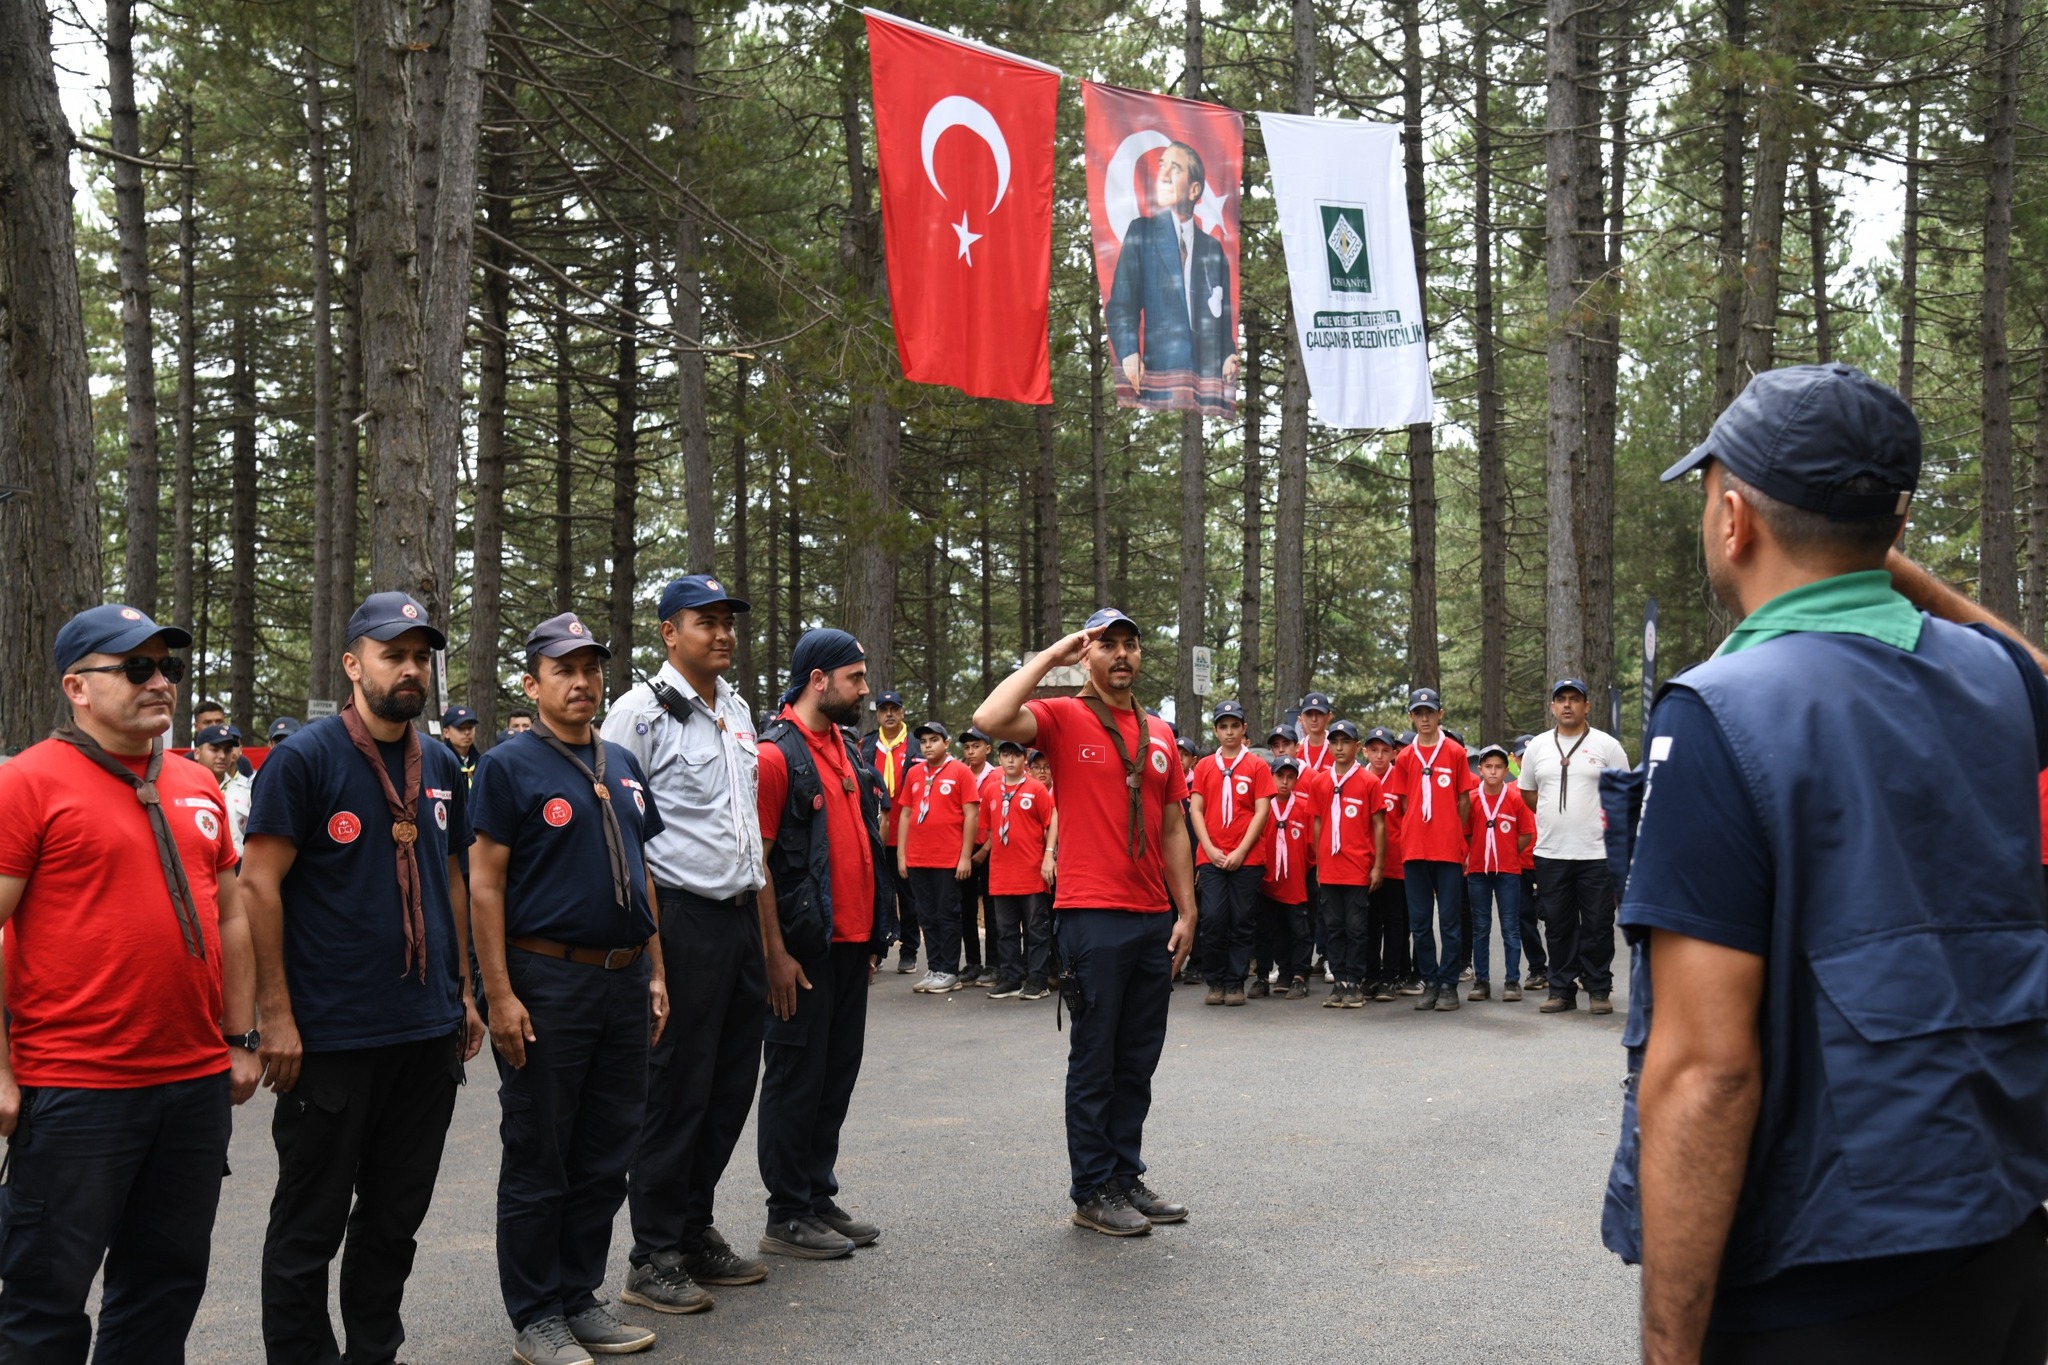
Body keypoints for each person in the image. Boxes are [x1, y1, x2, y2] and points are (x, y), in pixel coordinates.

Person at [1604, 362, 2048, 1363]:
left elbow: (1706, 1073)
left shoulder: (1718, 714)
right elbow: (2029, 670)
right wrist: (1885, 565)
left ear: (1734, 520)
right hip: (2001, 1251)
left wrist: (1668, 1352)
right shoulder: (1992, 683)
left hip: (1819, 1291)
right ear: (1893, 527)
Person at [0, 605, 262, 1362]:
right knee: (45, 1301)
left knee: (163, 1289)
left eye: (167, 667)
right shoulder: (25, 781)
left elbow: (232, 914)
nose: (160, 682)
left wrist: (241, 1037)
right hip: (77, 1087)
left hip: (192, 1087)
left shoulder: (196, 782)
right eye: (137, 668)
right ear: (77, 687)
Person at [240, 591, 485, 1365]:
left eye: (420, 657)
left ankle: (374, 1352)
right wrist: (275, 1015)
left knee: (392, 1221)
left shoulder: (440, 762)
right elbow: (256, 885)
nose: (410, 669)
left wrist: (464, 990)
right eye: (393, 654)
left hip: (425, 1033)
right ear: (353, 664)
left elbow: (453, 877)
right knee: (308, 1223)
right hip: (332, 1037)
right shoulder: (305, 759)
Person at [470, 614, 670, 1365]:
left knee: (606, 1149)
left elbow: (642, 875)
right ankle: (536, 1315)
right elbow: (484, 885)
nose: (581, 681)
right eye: (564, 669)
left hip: (624, 979)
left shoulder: (623, 762)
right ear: (533, 683)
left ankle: (579, 1296)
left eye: (590, 668)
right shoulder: (507, 766)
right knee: (540, 1150)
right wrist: (498, 994)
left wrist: (656, 973)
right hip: (546, 980)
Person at [974, 608, 1197, 1237]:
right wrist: (1052, 657)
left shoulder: (1159, 733)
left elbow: (1174, 827)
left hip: (1152, 916)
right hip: (1091, 915)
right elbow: (990, 719)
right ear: (1089, 656)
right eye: (1107, 645)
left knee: (1137, 1059)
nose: (1121, 654)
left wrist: (1187, 909)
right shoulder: (1063, 717)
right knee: (1095, 1057)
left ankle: (1125, 1175)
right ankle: (1092, 1187)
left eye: (1130, 644)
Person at [601, 573, 769, 1310]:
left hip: (739, 916)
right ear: (670, 633)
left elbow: (744, 822)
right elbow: (616, 830)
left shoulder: (736, 708)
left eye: (728, 620)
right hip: (680, 917)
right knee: (676, 1088)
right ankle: (654, 1252)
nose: (723, 632)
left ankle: (695, 1227)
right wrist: (650, 952)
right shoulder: (638, 714)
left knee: (729, 1086)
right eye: (707, 621)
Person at [754, 629, 894, 1261]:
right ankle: (786, 1212)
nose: (864, 690)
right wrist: (775, 955)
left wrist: (872, 935)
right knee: (796, 1078)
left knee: (835, 1076)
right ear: (818, 680)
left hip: (850, 943)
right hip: (803, 951)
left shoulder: (844, 747)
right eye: (855, 678)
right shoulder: (775, 756)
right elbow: (757, 864)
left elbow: (861, 844)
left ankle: (815, 1194)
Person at [1518, 678, 1631, 1015]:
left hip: (1597, 853)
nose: (1567, 704)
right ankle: (1561, 990)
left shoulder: (1607, 746)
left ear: (1587, 706)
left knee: (1598, 924)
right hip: (1551, 853)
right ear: (1552, 706)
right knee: (1557, 924)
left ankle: (1598, 988)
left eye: (1574, 699)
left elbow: (1624, 794)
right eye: (1561, 699)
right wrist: (1555, 817)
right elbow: (1528, 792)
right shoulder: (1538, 746)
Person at [1103, 141, 1237, 413]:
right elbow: (1121, 306)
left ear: (1194, 190)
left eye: (1174, 169)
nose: (1162, 175)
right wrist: (1128, 351)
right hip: (1160, 380)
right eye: (1162, 166)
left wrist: (1228, 355)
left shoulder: (1213, 249)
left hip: (1207, 385)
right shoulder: (1142, 233)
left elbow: (1223, 322)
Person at [1378, 689, 1474, 1012]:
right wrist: (1416, 831)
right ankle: (1430, 981)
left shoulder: (1455, 753)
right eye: (1418, 713)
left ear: (1440, 714)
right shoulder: (1405, 758)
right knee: (1419, 921)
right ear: (1411, 717)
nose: (1424, 718)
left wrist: (1452, 831)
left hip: (1447, 849)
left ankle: (1449, 984)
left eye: (1429, 712)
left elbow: (1463, 800)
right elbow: (1405, 803)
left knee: (1449, 920)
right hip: (1415, 849)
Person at [1189, 700, 1275, 1007]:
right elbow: (1196, 809)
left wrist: (1240, 850)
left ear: (1244, 729)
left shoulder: (1257, 766)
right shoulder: (1204, 766)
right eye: (1223, 727)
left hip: (1246, 858)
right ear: (1215, 731)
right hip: (1211, 857)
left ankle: (1235, 981)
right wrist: (1209, 848)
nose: (1229, 732)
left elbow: (1262, 811)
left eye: (1234, 726)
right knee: (1213, 918)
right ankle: (1215, 980)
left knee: (1241, 920)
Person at [897, 720, 979, 994]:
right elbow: (906, 814)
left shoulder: (960, 771)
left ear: (946, 743)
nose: (928, 745)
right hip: (918, 858)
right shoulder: (914, 773)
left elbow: (971, 815)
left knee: (947, 914)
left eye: (934, 740)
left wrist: (965, 856)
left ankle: (949, 971)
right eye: (923, 741)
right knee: (926, 916)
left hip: (947, 859)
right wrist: (902, 854)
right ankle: (934, 967)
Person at [985, 739, 1057, 1000]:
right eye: (1005, 755)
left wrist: (1049, 855)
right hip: (1001, 874)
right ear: (999, 759)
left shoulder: (1036, 789)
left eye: (1015, 755)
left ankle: (1037, 979)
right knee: (1005, 930)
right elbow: (989, 828)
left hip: (1031, 871)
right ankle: (1011, 977)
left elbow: (1052, 821)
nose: (1010, 760)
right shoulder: (991, 790)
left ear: (1024, 759)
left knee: (1036, 928)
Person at [1464, 745, 1534, 1003]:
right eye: (1488, 766)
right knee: (1481, 927)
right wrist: (1477, 851)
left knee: (1510, 927)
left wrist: (1507, 852)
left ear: (1506, 771)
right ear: (1480, 770)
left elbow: (1526, 834)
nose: (1493, 771)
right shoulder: (1472, 799)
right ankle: (1481, 981)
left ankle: (1512, 981)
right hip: (1478, 872)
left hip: (1507, 871)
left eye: (1498, 767)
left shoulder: (1515, 798)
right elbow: (1466, 833)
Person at [1317, 721, 1379, 1007]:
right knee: (1333, 926)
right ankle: (1339, 981)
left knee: (1356, 927)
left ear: (1357, 746)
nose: (1339, 747)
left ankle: (1355, 981)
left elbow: (1379, 825)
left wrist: (1377, 866)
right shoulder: (1320, 782)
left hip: (1357, 868)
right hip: (1330, 868)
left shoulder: (1369, 782)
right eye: (1334, 742)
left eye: (1345, 742)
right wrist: (1320, 862)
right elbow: (1318, 823)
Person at [861, 690, 918, 975]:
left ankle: (909, 951)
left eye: (894, 708)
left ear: (902, 712)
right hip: (875, 833)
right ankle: (878, 949)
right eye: (884, 710)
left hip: (907, 834)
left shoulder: (916, 745)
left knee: (908, 896)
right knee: (878, 894)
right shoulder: (867, 745)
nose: (889, 714)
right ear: (877, 715)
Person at [1255, 752, 1317, 1000]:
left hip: (1295, 883)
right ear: (1271, 776)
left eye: (1291, 777)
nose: (1285, 782)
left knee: (1300, 930)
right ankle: (1264, 976)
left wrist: (1301, 870)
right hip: (1267, 882)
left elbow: (1311, 849)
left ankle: (1300, 976)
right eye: (1280, 776)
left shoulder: (1304, 808)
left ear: (1296, 780)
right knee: (1267, 931)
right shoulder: (1262, 807)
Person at [1360, 726, 1411, 1000]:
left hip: (1394, 864)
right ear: (1365, 751)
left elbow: (1407, 819)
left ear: (1393, 753)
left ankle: (1390, 977)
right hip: (1364, 863)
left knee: (1394, 922)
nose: (1379, 756)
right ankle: (1370, 975)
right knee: (1369, 922)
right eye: (1374, 750)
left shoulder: (1400, 780)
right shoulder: (1359, 778)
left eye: (1385, 750)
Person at [958, 726, 999, 985]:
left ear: (988, 748)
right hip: (965, 849)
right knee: (966, 906)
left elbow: (1001, 817)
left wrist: (986, 849)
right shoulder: (960, 774)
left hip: (991, 849)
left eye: (976, 746)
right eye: (967, 747)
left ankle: (994, 963)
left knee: (993, 909)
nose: (971, 751)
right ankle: (973, 961)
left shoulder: (997, 775)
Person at [192, 721, 254, 854]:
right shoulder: (183, 790)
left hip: (237, 862)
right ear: (197, 753)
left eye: (228, 750)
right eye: (214, 749)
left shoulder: (246, 791)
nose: (222, 756)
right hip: (197, 862)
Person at [441, 705, 481, 788]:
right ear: (446, 733)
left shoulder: (480, 762)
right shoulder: (441, 762)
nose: (467, 732)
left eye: (470, 727)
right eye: (460, 728)